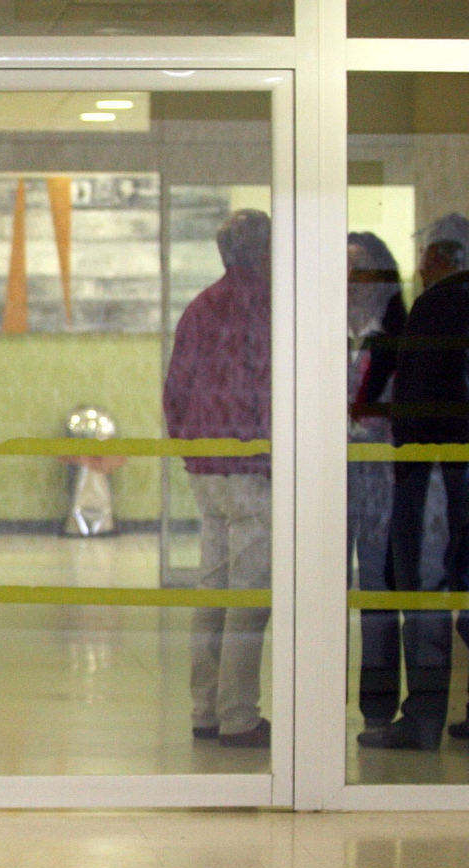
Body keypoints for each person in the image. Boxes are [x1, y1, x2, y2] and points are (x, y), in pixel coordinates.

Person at [358, 214, 469, 751]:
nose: (421, 268)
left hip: (428, 472)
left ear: (440, 258)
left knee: (425, 590)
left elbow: (412, 399)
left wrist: (406, 459)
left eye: (426, 257)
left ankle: (424, 716)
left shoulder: (429, 311)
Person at [163, 209, 273, 749]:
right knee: (249, 593)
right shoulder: (269, 306)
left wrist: (189, 448)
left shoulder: (200, 308)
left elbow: (175, 389)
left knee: (211, 588)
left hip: (205, 467)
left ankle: (205, 708)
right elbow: (270, 387)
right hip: (252, 469)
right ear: (265, 252)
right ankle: (239, 715)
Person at [345, 232, 407, 734]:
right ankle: (316, 709)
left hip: (381, 480)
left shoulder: (396, 334)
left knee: (377, 593)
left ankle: (378, 711)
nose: (350, 282)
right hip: (328, 479)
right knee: (321, 588)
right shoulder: (321, 329)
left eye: (361, 270)